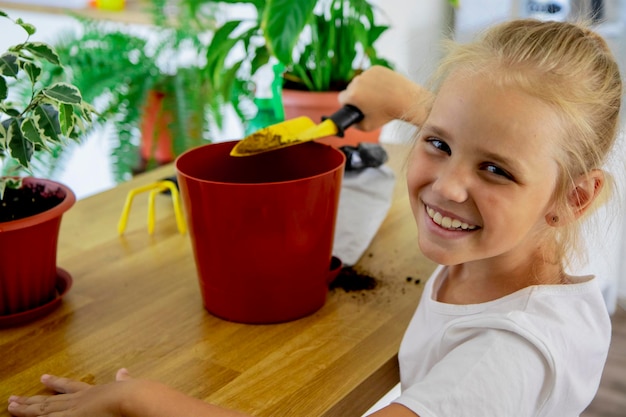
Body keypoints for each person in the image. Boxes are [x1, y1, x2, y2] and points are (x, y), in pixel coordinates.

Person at [7, 18, 621, 417]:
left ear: (573, 199)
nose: (448, 185)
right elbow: (487, 130)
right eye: (437, 143)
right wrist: (408, 101)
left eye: (496, 172)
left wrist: (138, 395)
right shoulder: (521, 247)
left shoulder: (506, 355)